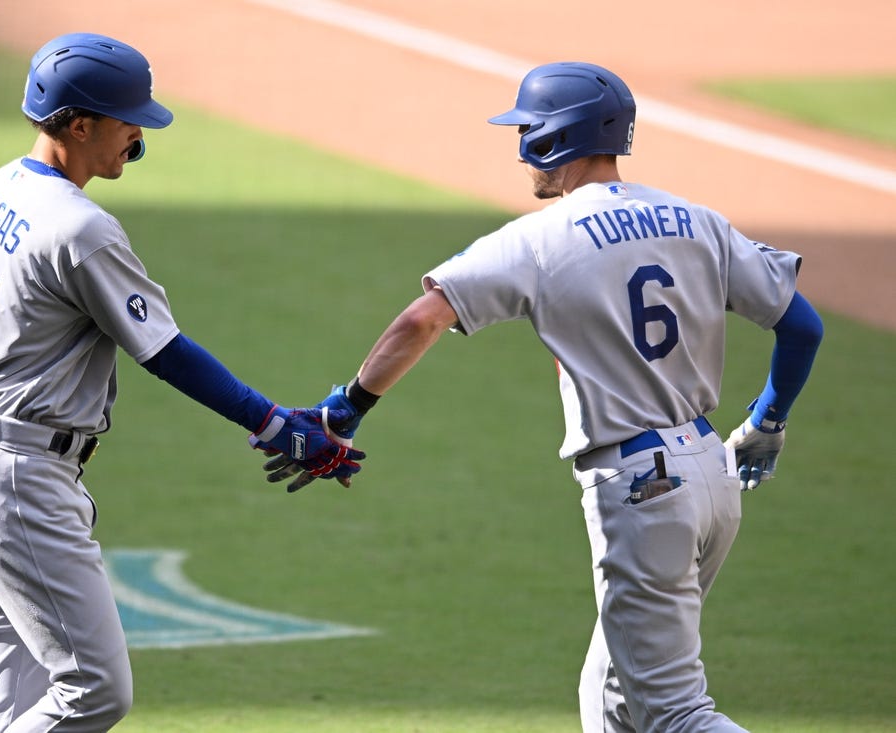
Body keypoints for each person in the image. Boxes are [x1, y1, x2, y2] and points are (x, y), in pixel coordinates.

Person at [270, 62, 823, 731]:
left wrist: (345, 408)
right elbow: (801, 324)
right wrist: (767, 420)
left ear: (553, 139)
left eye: (527, 127)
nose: (520, 141)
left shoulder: (539, 239)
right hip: (711, 471)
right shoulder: (696, 220)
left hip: (644, 491)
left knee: (677, 711)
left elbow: (421, 320)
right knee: (611, 694)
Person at [0, 33, 363, 732]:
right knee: (95, 690)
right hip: (19, 482)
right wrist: (279, 426)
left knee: (17, 696)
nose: (139, 132)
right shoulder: (81, 229)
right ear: (79, 124)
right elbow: (166, 352)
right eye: (127, 119)